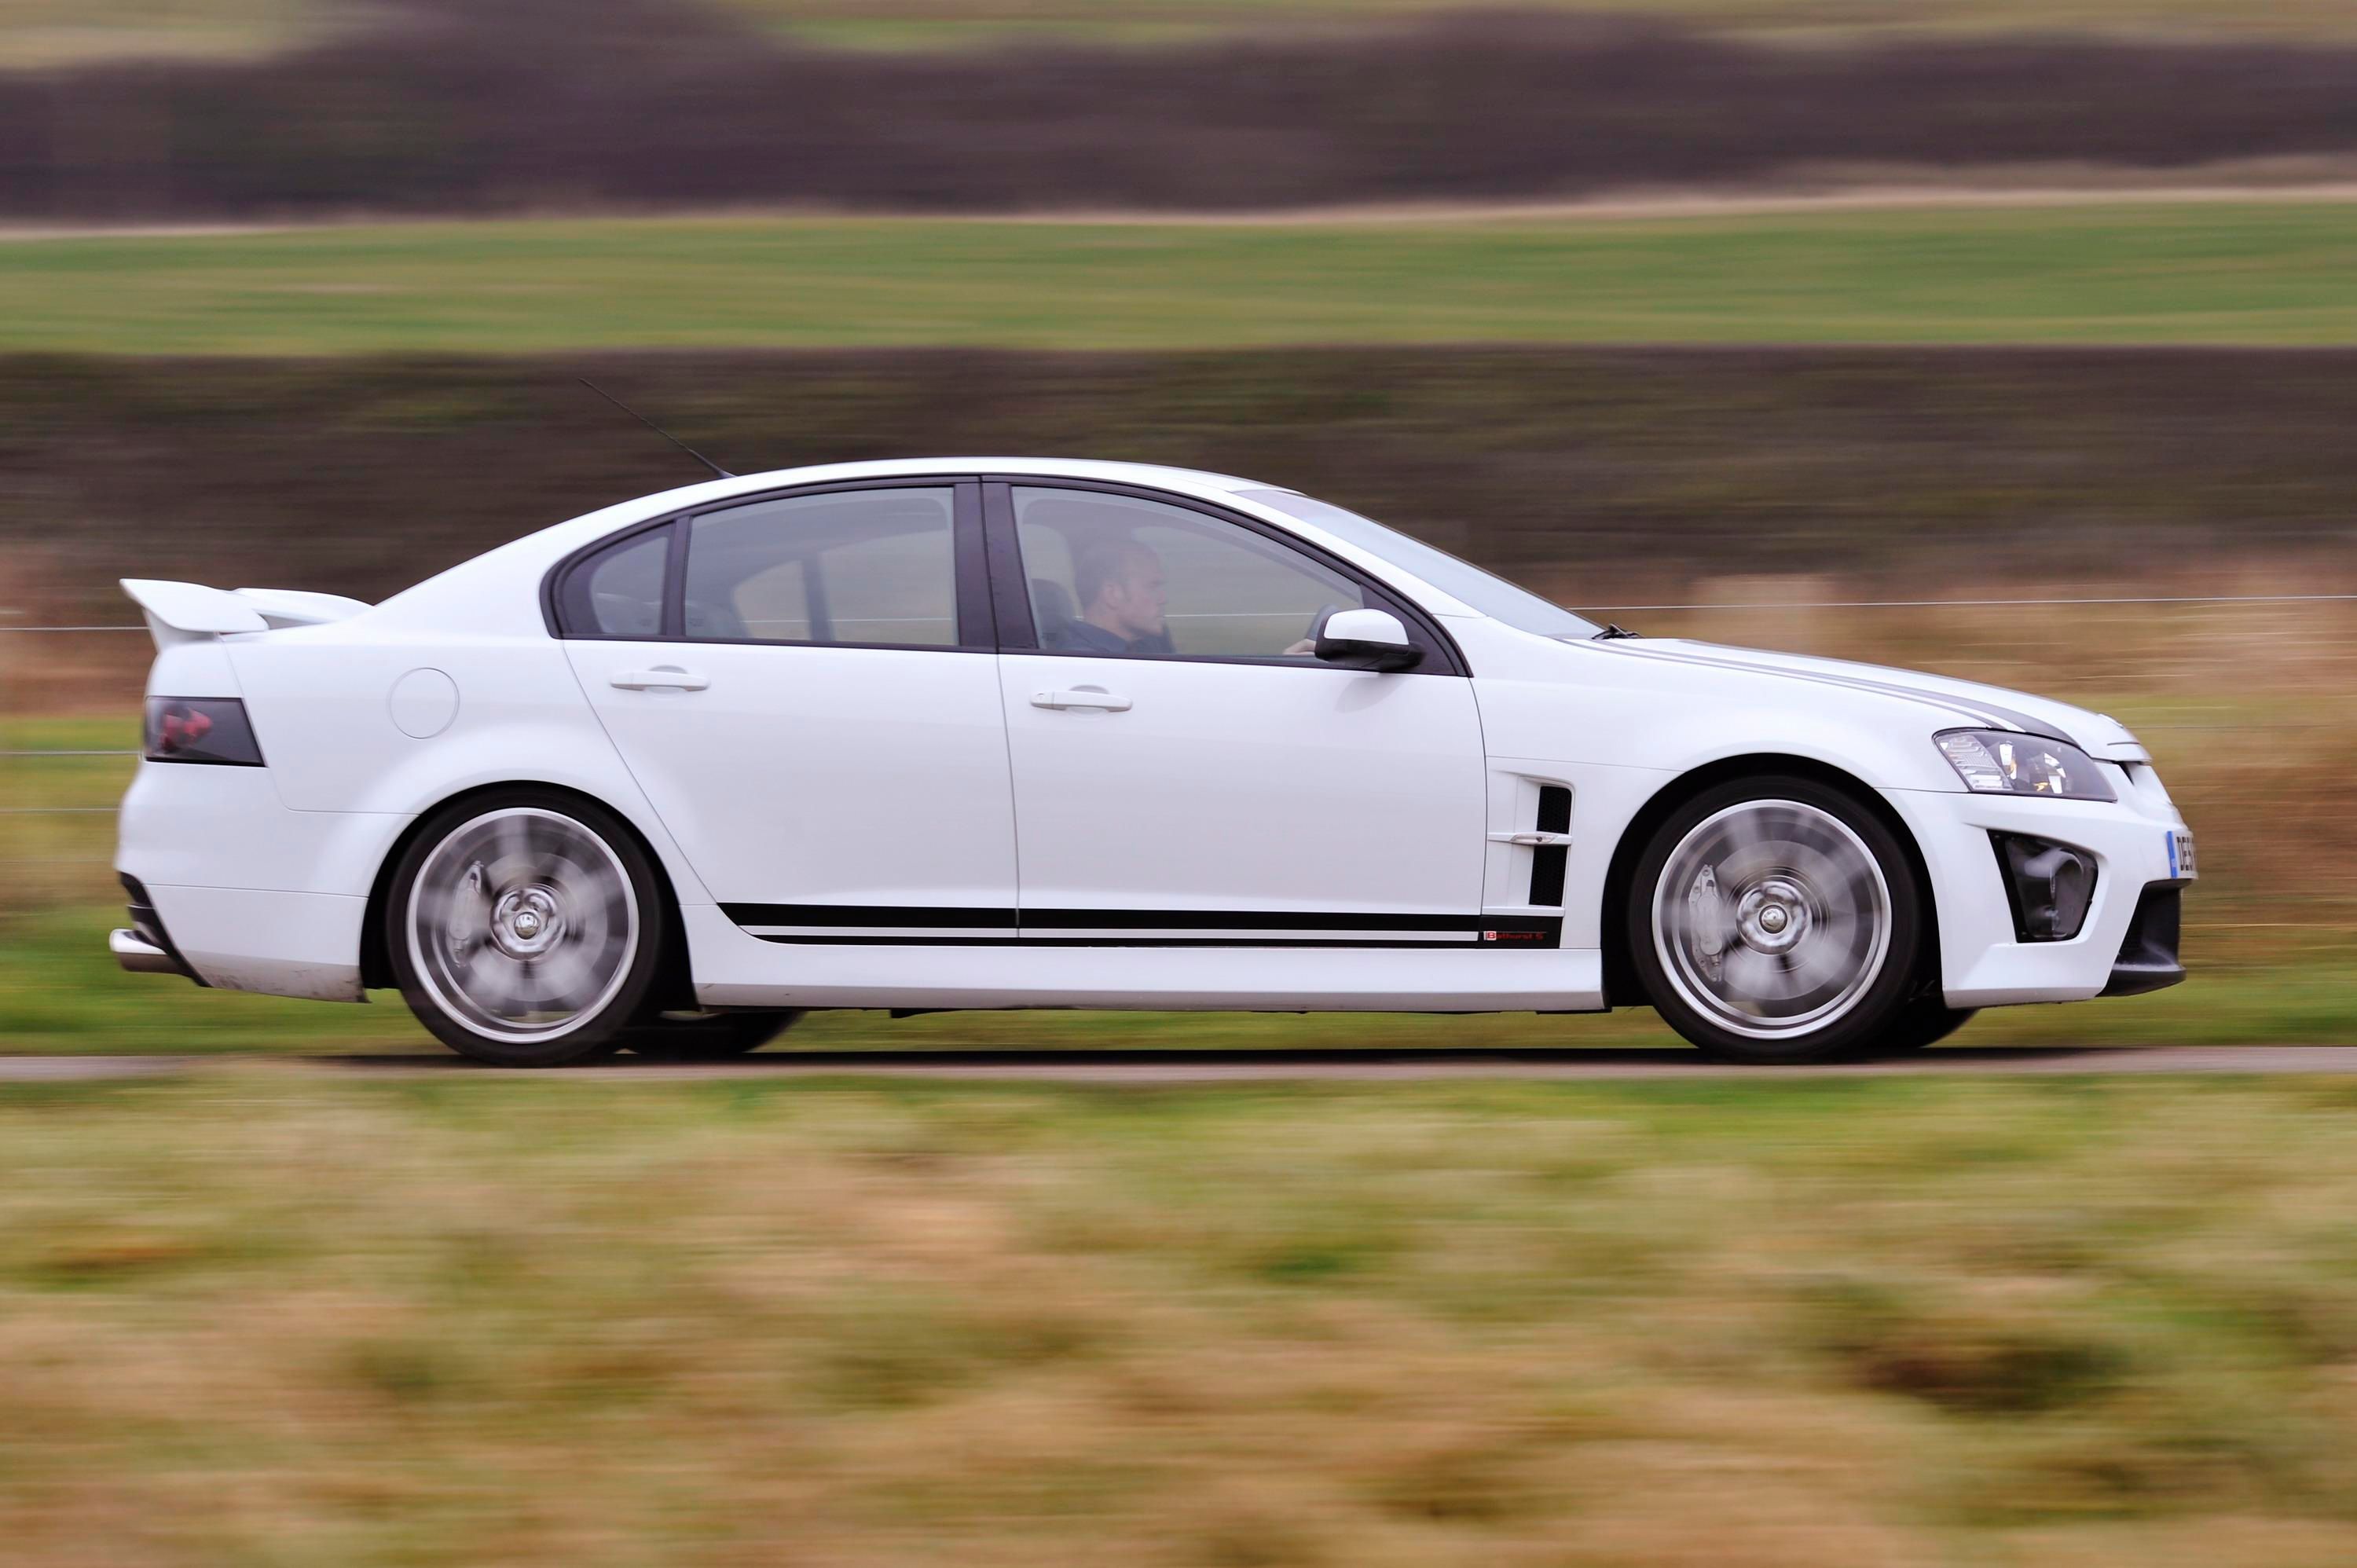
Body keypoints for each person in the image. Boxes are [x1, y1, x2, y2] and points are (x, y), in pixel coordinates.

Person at [1055, 537, 1168, 655]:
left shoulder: (1138, 647)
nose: (1163, 599)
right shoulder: (1086, 663)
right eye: (1152, 587)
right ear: (1112, 594)